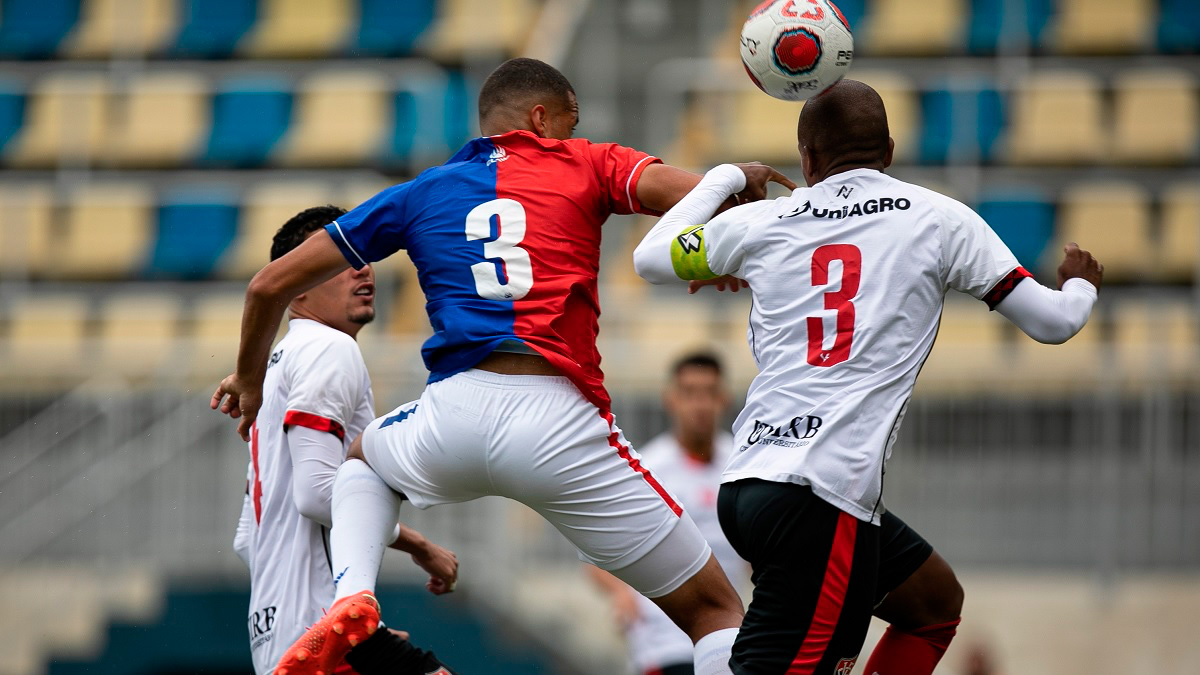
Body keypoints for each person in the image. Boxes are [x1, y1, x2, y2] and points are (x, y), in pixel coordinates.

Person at [211, 58, 794, 675]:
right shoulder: (590, 162)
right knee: (714, 610)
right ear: (542, 118)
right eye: (568, 123)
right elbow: (706, 198)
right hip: (558, 420)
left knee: (361, 462)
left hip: (452, 416)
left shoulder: (422, 191)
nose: (572, 136)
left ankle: (353, 596)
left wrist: (248, 378)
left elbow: (266, 287)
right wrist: (736, 204)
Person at [632, 79, 1102, 675]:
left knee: (932, 603)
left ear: (806, 160)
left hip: (750, 484)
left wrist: (725, 177)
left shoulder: (767, 221)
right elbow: (1053, 322)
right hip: (823, 497)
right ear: (890, 151)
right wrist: (1082, 283)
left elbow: (650, 258)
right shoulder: (939, 218)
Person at [229, 205, 459, 675]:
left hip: (280, 634)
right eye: (339, 260)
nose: (363, 266)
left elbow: (247, 537)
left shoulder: (280, 361)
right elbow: (316, 495)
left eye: (364, 254)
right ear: (297, 283)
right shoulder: (327, 349)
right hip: (322, 634)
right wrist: (416, 543)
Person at [586, 352, 751, 675]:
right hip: (662, 640)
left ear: (724, 399)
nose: (700, 404)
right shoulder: (647, 469)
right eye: (690, 393)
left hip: (727, 637)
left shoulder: (741, 465)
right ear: (671, 399)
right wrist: (622, 595)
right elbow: (595, 553)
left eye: (709, 393)